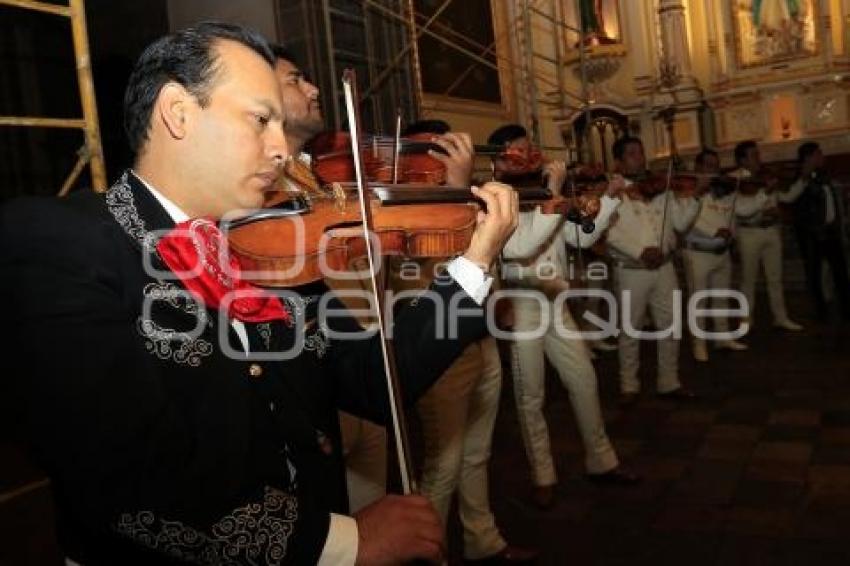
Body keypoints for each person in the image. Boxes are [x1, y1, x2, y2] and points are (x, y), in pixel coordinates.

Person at [0, 23, 518, 565]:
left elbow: (372, 379)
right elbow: (122, 483)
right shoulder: (58, 241)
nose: (282, 149)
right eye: (261, 120)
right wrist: (344, 542)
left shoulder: (273, 248)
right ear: (178, 112)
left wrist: (472, 265)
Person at [388, 119, 537, 564]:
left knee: (477, 453)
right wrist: (456, 190)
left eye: (451, 150)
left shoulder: (462, 197)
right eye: (436, 151)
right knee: (444, 465)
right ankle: (429, 557)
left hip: (481, 341)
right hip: (440, 352)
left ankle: (482, 539)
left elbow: (490, 258)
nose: (444, 160)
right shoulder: (397, 205)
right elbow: (431, 272)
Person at [489, 124, 639, 512]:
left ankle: (602, 461)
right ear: (499, 160)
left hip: (556, 304)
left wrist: (606, 200)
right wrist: (554, 195)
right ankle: (543, 475)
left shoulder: (542, 192)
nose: (527, 156)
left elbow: (580, 240)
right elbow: (518, 251)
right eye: (516, 152)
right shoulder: (496, 200)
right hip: (524, 306)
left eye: (529, 149)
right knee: (530, 397)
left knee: (585, 381)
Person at [270, 43, 388, 514]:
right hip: (321, 388)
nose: (314, 88)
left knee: (374, 520)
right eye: (296, 80)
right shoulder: (259, 193)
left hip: (366, 369)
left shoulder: (322, 182)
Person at [604, 136, 702, 405]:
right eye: (633, 154)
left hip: (665, 266)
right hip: (631, 269)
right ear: (620, 161)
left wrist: (691, 198)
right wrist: (639, 252)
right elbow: (608, 232)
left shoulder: (661, 188)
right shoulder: (611, 192)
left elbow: (680, 224)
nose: (641, 158)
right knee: (630, 328)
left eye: (641, 152)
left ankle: (669, 382)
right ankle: (629, 385)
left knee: (670, 325)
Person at [682, 149, 749, 362]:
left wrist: (732, 237)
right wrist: (713, 232)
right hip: (698, 253)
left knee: (721, 297)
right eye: (709, 165)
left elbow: (732, 216)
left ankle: (722, 337)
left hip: (722, 252)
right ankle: (698, 344)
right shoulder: (689, 192)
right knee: (698, 302)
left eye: (716, 166)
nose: (714, 170)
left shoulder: (724, 190)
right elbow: (690, 220)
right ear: (698, 168)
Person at [731, 140, 803, 331]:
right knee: (748, 280)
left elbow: (786, 198)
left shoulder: (766, 176)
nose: (759, 158)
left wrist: (802, 180)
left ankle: (781, 317)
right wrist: (765, 197)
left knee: (775, 278)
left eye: (758, 154)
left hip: (771, 231)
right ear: (742, 160)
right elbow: (741, 210)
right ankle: (746, 320)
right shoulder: (734, 180)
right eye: (754, 155)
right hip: (749, 233)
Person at [779, 142, 850, 321]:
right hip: (812, 235)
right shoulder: (799, 180)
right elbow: (790, 202)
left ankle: (846, 308)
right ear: (809, 157)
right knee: (815, 274)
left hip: (830, 232)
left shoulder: (822, 175)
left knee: (840, 272)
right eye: (819, 154)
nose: (822, 157)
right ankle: (821, 312)